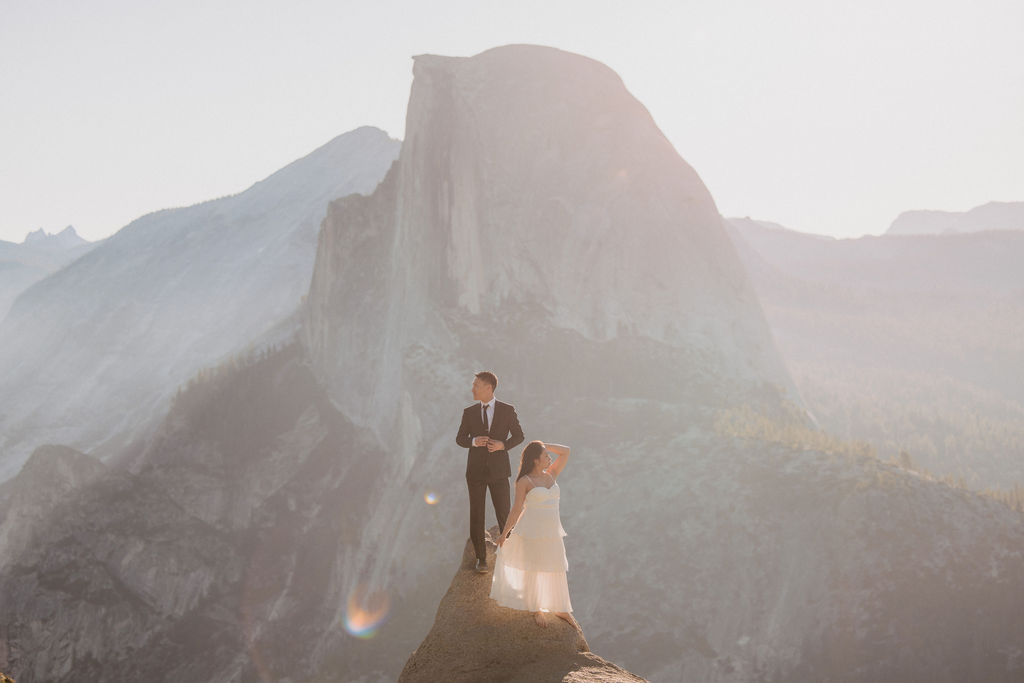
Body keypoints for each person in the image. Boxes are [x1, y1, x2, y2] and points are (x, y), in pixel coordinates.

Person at [491, 440, 576, 628]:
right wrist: (505, 534)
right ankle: (536, 608)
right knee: (534, 567)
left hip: (552, 531)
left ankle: (560, 608)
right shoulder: (524, 481)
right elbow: (516, 510)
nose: (549, 457)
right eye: (546, 455)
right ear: (536, 460)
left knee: (555, 566)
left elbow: (566, 451)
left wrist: (543, 444)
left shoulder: (551, 474)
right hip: (532, 530)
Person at [455, 371, 525, 573]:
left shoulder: (507, 410)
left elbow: (519, 436)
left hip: (499, 471)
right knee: (476, 515)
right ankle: (481, 560)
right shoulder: (469, 412)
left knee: (504, 513)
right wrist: (473, 442)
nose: (472, 389)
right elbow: (460, 439)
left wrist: (503, 445)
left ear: (488, 388)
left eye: (476, 385)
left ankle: (510, 557)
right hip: (475, 472)